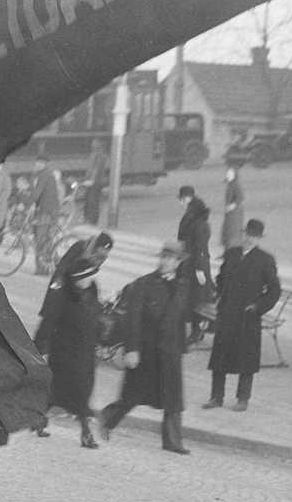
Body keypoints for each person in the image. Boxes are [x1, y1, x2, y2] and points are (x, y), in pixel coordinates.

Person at [100, 240, 191, 455]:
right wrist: (132, 349)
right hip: (146, 350)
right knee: (133, 395)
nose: (165, 262)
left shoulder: (183, 285)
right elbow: (132, 320)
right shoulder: (143, 284)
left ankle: (172, 441)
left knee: (173, 398)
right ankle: (108, 419)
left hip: (170, 351)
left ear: (178, 262)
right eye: (163, 257)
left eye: (170, 258)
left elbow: (180, 318)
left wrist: (182, 346)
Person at [202, 219, 281, 411]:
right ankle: (216, 397)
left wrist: (258, 306)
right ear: (243, 234)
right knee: (220, 356)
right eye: (247, 234)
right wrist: (220, 296)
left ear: (259, 238)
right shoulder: (232, 254)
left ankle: (243, 398)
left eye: (254, 236)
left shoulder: (265, 260)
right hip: (228, 313)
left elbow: (274, 290)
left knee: (246, 358)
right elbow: (221, 278)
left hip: (248, 317)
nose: (249, 239)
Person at [34, 257, 103, 449]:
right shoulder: (63, 294)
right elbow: (49, 321)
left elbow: (94, 316)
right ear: (79, 279)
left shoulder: (92, 290)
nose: (93, 278)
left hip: (86, 351)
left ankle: (39, 418)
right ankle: (85, 434)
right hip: (65, 352)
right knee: (76, 394)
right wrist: (39, 347)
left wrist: (100, 338)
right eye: (89, 276)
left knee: (64, 393)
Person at [176, 185, 214, 347]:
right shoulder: (193, 215)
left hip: (196, 266)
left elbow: (201, 246)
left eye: (182, 200)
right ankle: (196, 330)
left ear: (187, 199)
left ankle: (197, 331)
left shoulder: (197, 220)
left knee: (197, 299)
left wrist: (199, 268)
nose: (181, 203)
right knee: (191, 298)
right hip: (189, 263)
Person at [29, 154, 64, 276]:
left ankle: (42, 269)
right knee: (47, 241)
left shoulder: (44, 175)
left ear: (44, 164)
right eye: (36, 163)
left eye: (39, 163)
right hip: (48, 212)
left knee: (40, 241)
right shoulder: (44, 175)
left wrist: (26, 203)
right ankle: (59, 266)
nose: (36, 165)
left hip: (46, 212)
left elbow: (36, 194)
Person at [83, 138, 109, 226]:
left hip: (95, 182)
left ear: (99, 145)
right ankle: (88, 218)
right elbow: (91, 169)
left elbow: (96, 169)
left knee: (92, 200)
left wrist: (92, 180)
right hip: (91, 181)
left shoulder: (100, 155)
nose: (92, 144)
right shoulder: (94, 154)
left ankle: (92, 220)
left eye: (94, 143)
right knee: (88, 200)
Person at [220, 166, 244, 250]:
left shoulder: (235, 185)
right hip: (229, 213)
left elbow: (240, 197)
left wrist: (232, 206)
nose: (228, 175)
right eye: (227, 173)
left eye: (230, 173)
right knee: (227, 230)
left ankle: (232, 250)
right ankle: (227, 251)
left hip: (235, 213)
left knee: (233, 231)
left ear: (234, 175)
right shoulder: (230, 185)